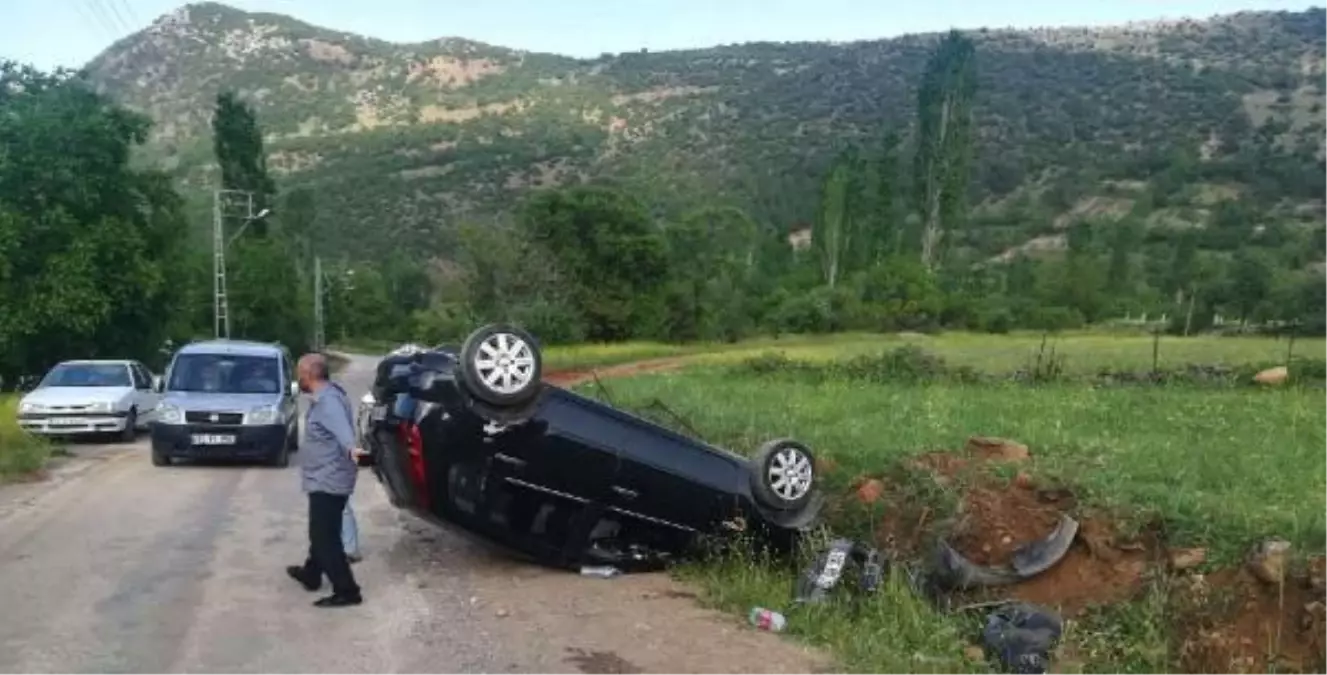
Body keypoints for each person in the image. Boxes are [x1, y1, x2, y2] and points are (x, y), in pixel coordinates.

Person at [285, 353, 363, 608]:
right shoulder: (329, 395)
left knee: (324, 535)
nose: (298, 378)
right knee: (323, 529)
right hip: (326, 475)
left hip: (329, 479)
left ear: (309, 375)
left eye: (300, 374)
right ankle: (311, 573)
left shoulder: (328, 402)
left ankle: (347, 590)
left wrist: (353, 449)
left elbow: (344, 432)